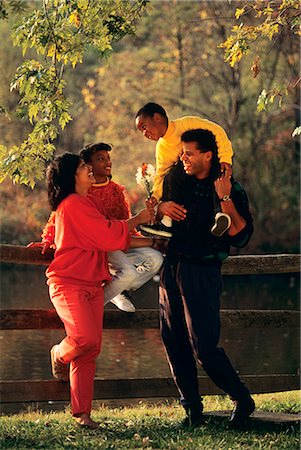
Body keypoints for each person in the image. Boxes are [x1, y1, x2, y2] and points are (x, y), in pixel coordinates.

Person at [44, 152, 153, 428]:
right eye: (83, 167)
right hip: (68, 284)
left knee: (90, 349)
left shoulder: (86, 202)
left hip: (92, 284)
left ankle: (83, 414)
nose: (90, 169)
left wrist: (150, 243)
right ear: (72, 176)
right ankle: (58, 353)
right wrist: (139, 219)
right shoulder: (72, 205)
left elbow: (108, 237)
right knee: (82, 340)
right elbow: (107, 234)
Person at [157, 129, 255, 428]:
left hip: (202, 270)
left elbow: (241, 236)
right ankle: (192, 410)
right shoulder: (178, 180)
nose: (183, 157)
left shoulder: (229, 187)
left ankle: (242, 399)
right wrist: (161, 206)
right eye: (182, 152)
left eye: (189, 153)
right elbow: (159, 218)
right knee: (173, 340)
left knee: (204, 346)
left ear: (208, 155)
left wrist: (224, 195)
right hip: (172, 266)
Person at [35, 143, 163, 313]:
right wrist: (47, 240)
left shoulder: (116, 190)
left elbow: (124, 220)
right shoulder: (79, 192)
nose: (107, 163)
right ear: (88, 165)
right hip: (96, 245)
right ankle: (102, 299)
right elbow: (58, 218)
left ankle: (116, 289)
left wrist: (144, 237)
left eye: (108, 159)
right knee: (128, 272)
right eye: (100, 159)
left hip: (115, 239)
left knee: (156, 259)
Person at [135, 103, 233, 238]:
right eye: (141, 131)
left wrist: (225, 158)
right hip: (189, 176)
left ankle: (220, 216)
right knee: (171, 175)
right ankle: (167, 223)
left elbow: (217, 131)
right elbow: (161, 173)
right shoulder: (162, 148)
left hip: (212, 164)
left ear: (157, 118)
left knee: (215, 177)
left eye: (144, 127)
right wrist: (155, 197)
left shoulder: (187, 123)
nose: (144, 133)